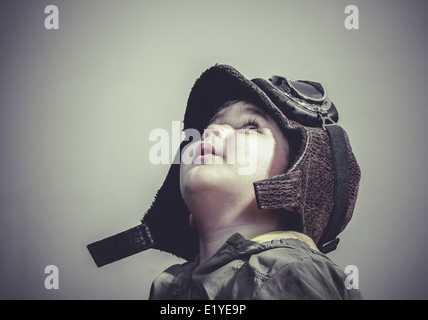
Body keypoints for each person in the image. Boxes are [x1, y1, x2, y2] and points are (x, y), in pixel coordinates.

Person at [87, 64, 362, 300]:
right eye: (209, 127)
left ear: (295, 190)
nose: (213, 130)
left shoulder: (293, 271)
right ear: (190, 215)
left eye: (251, 126)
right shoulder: (168, 288)